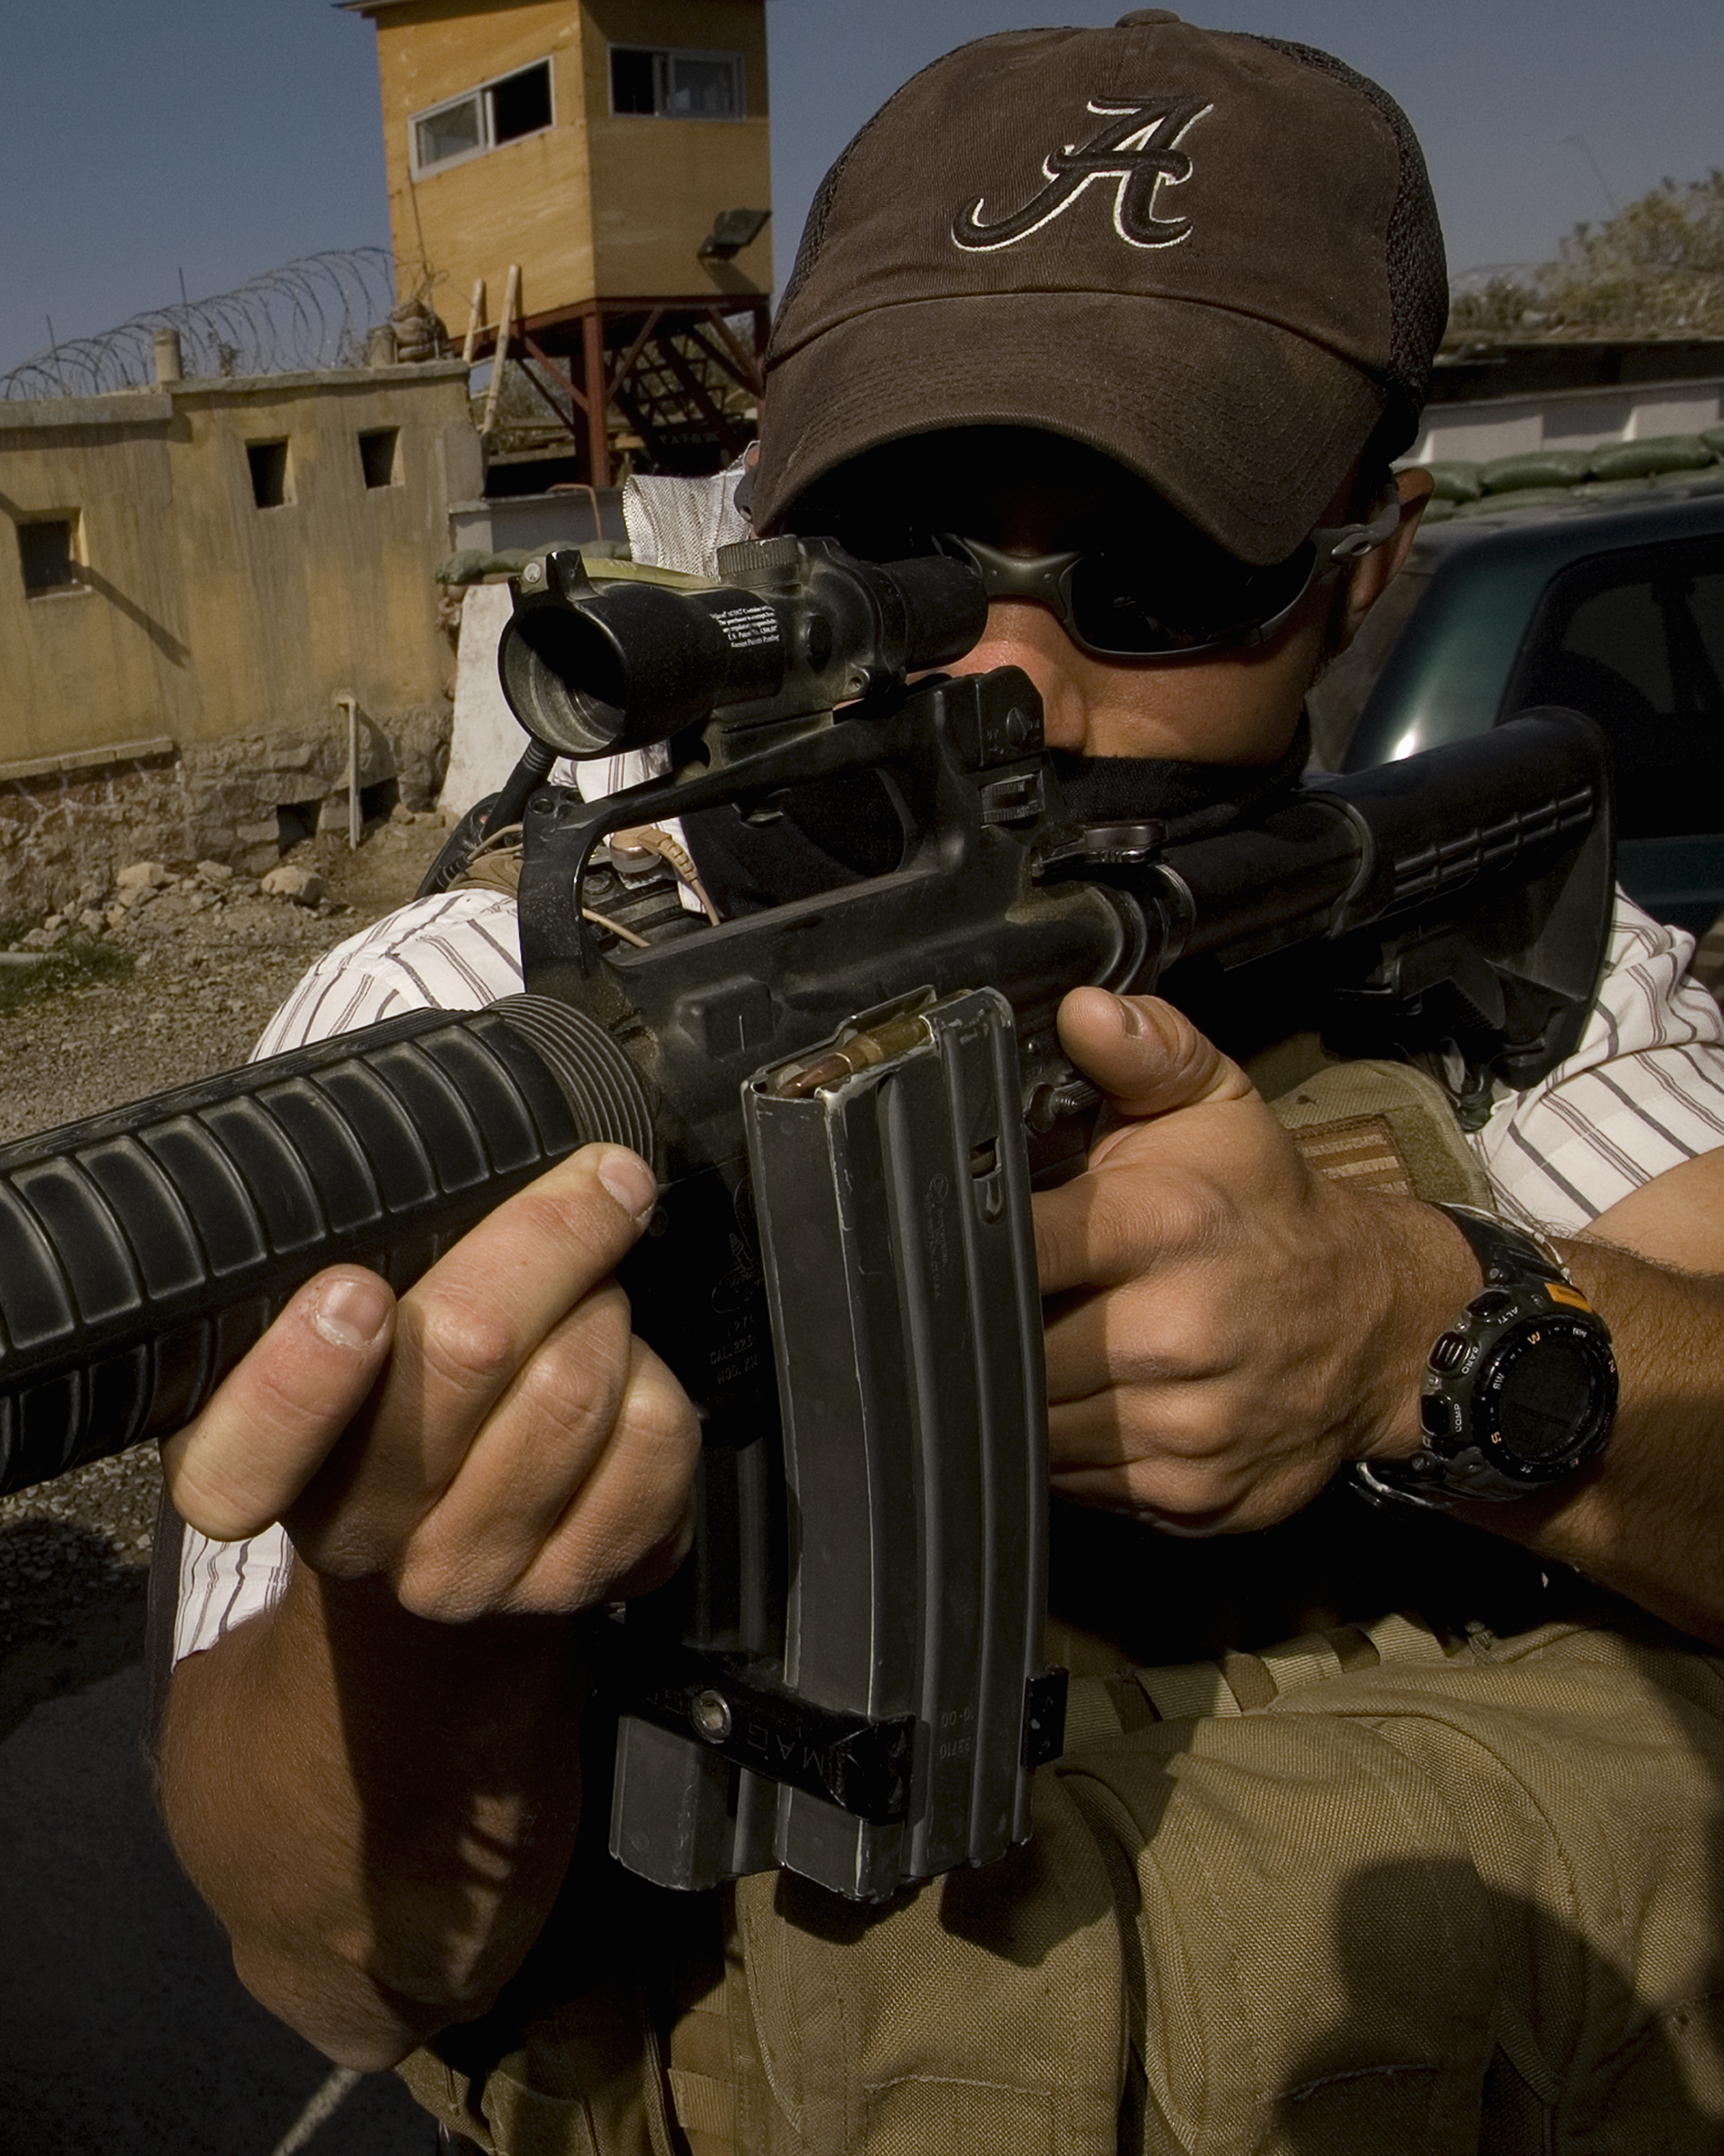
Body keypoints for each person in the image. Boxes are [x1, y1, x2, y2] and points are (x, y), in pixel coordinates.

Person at [158, 16, 1724, 2150]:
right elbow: (325, 1964)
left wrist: (1423, 1336)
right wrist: (427, 1620)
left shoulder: (1500, 962)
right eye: (897, 551)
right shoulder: (451, 1012)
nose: (1003, 664)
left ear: (1367, 562)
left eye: (1155, 575)